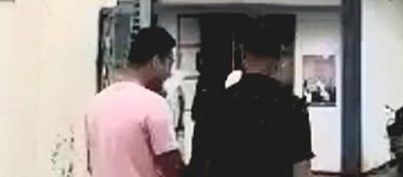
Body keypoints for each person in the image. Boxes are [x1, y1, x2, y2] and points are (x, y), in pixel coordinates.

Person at [191, 18, 313, 177]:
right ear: (277, 62)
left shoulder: (216, 105)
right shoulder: (293, 107)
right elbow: (301, 169)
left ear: (243, 57)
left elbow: (201, 165)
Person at [86, 26, 184, 177]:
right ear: (156, 61)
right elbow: (172, 167)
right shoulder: (153, 104)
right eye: (169, 63)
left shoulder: (96, 104)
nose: (169, 74)